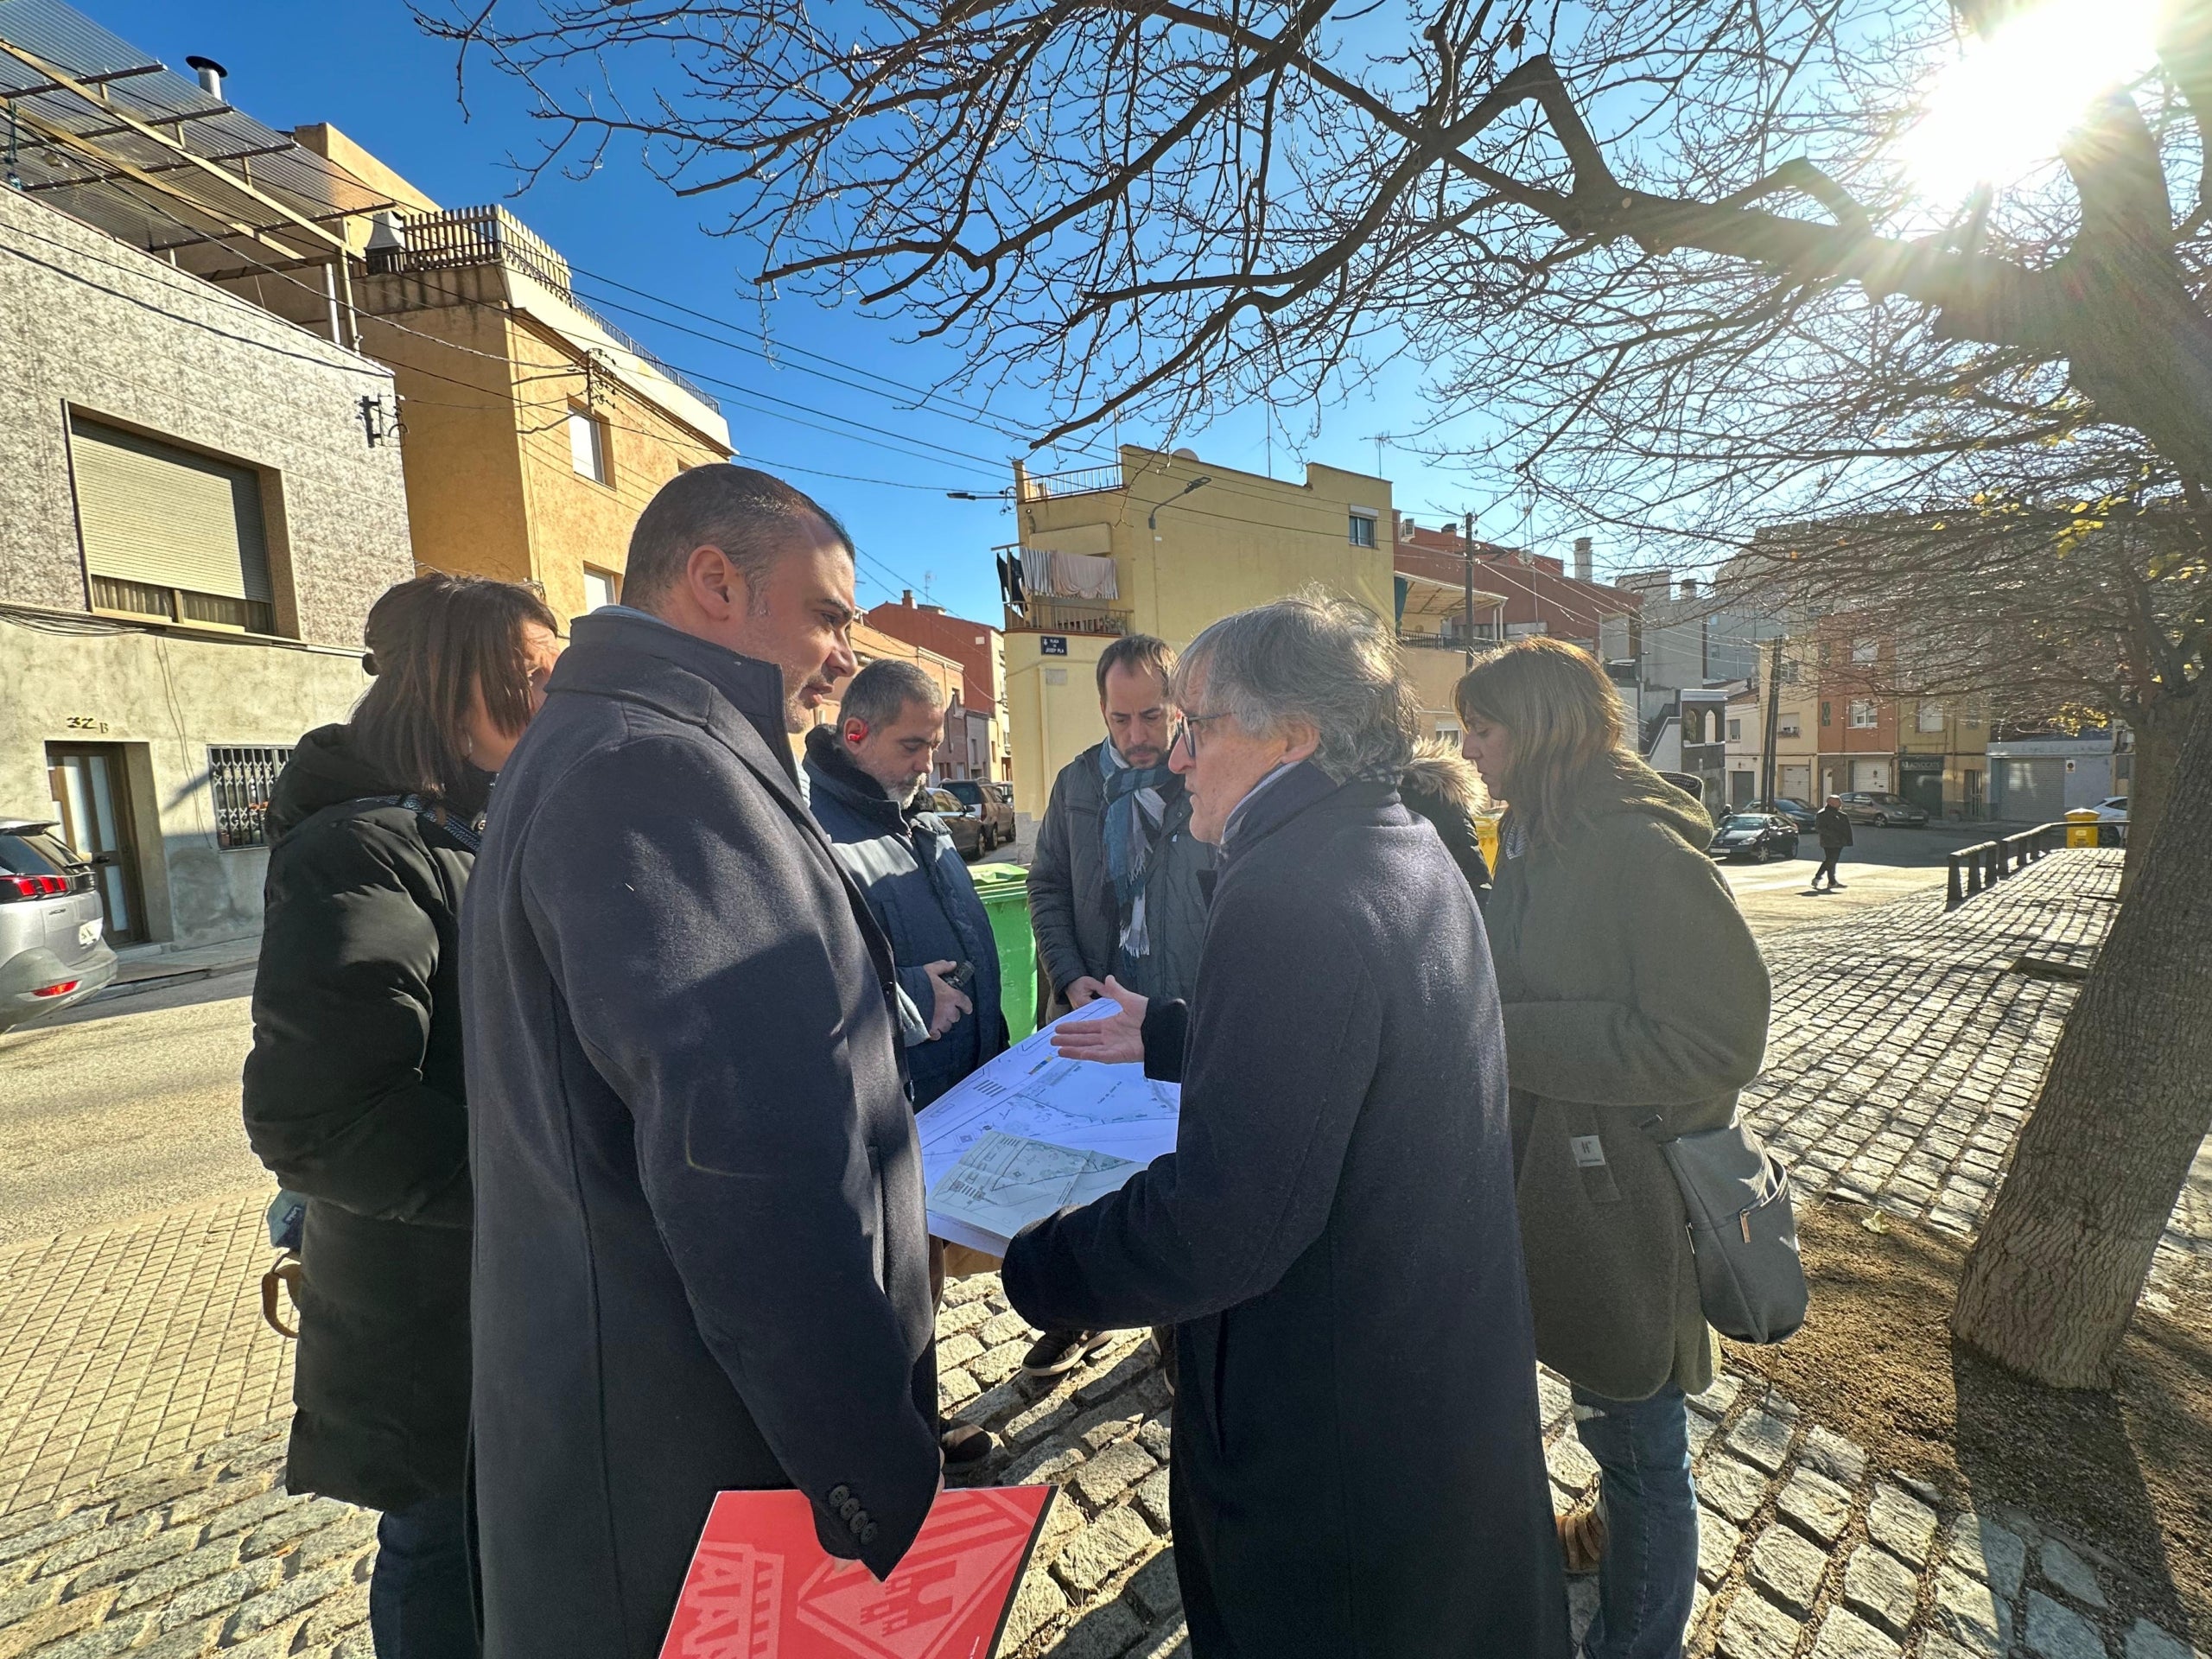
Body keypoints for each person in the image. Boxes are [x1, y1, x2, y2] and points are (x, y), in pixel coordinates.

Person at [1003, 594, 1569, 1658]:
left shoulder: (1287, 894)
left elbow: (1221, 1226)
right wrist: (1173, 1032)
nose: (1174, 758)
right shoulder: (1393, 839)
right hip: (1418, 1380)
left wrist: (1033, 1264)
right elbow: (1353, 1041)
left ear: (1293, 737)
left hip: (1330, 1436)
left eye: (1197, 725)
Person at [461, 467, 944, 1659]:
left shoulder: (617, 740)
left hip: (651, 1449)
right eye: (829, 616)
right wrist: (872, 1472)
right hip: (703, 1481)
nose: (845, 656)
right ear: (715, 583)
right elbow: (747, 1172)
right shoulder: (655, 769)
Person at [242, 572, 561, 1659]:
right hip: (435, 1315)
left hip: (498, 1300)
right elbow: (321, 1117)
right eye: (532, 682)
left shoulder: (468, 830)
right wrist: (551, 1191)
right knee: (444, 1559)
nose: (552, 709)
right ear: (447, 689)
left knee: (504, 1554)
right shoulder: (359, 848)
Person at [1454, 638, 1770, 1659]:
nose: (1472, 753)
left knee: (1641, 1447)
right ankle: (1595, 1547)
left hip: (1630, 1204)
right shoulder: (1546, 833)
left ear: (1540, 732)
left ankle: (1639, 1643)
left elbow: (1718, 1040)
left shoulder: (1638, 847)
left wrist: (1510, 1032)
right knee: (1610, 1421)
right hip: (1565, 1185)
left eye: (1484, 732)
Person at [801, 656, 1009, 1466]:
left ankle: (915, 1425)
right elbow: (814, 988)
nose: (931, 762)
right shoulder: (820, 838)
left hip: (948, 1096)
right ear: (856, 734)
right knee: (888, 1289)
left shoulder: (913, 817)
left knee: (919, 1284)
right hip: (888, 1114)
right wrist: (914, 1006)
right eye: (914, 744)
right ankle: (895, 1449)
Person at [1023, 633, 1215, 1377]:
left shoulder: (1204, 778)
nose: (1138, 738)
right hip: (1095, 1021)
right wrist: (1070, 977)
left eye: (1153, 717)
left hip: (1174, 1023)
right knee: (1086, 1177)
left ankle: (1177, 1339)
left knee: (1175, 1186)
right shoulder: (1077, 783)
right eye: (1120, 720)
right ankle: (1080, 1313)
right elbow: (1045, 887)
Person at [1814, 794, 1854, 891]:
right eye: (1838, 802)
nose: (1840, 804)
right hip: (1828, 841)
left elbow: (1847, 830)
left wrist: (1848, 840)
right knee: (1830, 860)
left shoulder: (1842, 815)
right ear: (1830, 803)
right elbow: (1819, 828)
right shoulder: (1822, 814)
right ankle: (1820, 878)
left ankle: (1831, 881)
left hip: (1839, 842)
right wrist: (1833, 835)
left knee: (1832, 861)